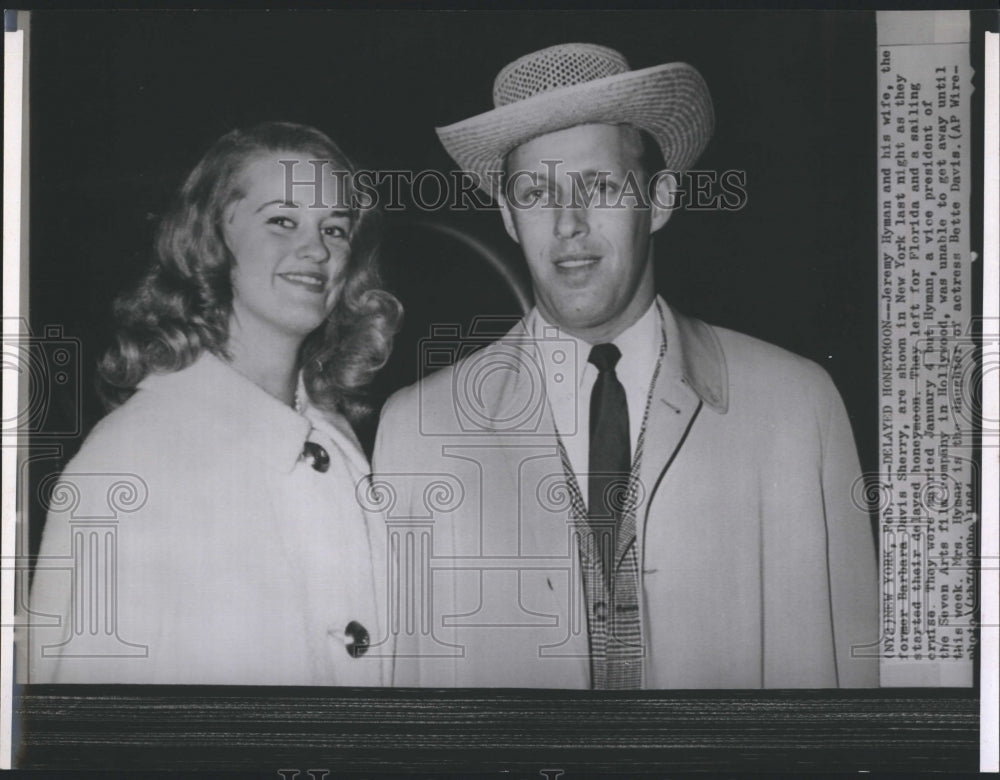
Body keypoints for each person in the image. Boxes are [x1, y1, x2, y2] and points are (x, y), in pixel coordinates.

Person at [372, 43, 878, 688]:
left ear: (660, 200)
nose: (568, 224)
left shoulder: (797, 405)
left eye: (601, 186)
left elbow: (853, 690)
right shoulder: (417, 430)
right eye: (535, 193)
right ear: (506, 216)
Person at [27, 122, 402, 685]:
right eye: (281, 220)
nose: (316, 248)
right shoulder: (129, 461)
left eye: (336, 228)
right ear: (210, 239)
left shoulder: (341, 447)